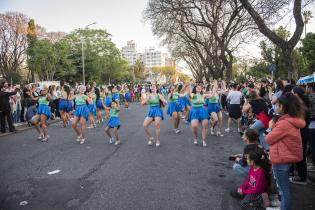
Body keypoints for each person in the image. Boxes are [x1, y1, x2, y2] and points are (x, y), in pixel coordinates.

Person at [266, 93, 306, 210]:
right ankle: (282, 206)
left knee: (284, 190)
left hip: (281, 158)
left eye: (277, 105)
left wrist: (271, 126)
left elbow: (269, 139)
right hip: (285, 156)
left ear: (283, 106)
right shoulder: (293, 120)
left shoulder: (284, 123)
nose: (276, 107)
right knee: (284, 188)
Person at [289, 86, 310, 184]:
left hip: (301, 133)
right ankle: (297, 173)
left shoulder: (300, 106)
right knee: (299, 154)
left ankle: (302, 177)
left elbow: (299, 122)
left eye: (292, 93)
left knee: (299, 155)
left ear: (296, 94)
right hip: (302, 133)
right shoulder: (302, 104)